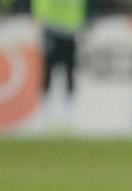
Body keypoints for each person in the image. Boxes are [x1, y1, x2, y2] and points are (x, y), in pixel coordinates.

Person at [32, 0, 94, 131]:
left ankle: (69, 115)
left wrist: (83, 26)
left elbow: (82, 10)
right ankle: (45, 114)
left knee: (69, 74)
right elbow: (40, 9)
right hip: (52, 32)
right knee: (48, 74)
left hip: (70, 35)